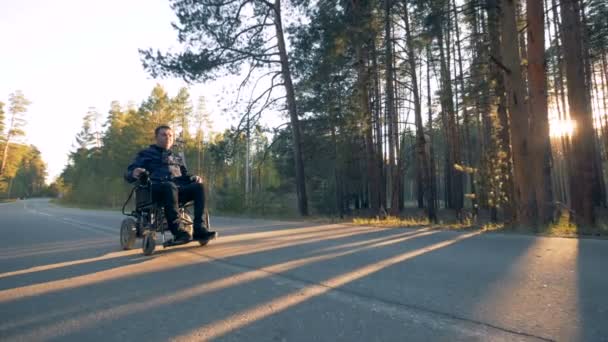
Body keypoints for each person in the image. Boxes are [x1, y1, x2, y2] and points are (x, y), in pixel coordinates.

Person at [125, 125, 217, 244]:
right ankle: (178, 232)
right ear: (156, 137)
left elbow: (184, 175)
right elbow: (129, 173)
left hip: (177, 190)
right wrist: (134, 172)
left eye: (170, 135)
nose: (167, 137)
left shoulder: (176, 157)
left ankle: (199, 229)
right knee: (169, 186)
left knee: (198, 186)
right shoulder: (145, 154)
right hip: (155, 190)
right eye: (163, 135)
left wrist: (193, 177)